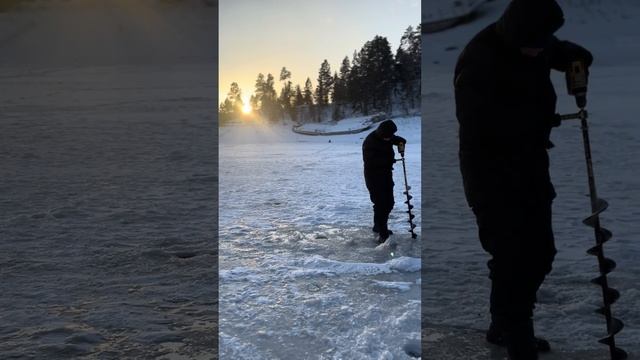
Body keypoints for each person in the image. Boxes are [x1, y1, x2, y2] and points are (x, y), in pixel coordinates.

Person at [453, 0, 593, 359]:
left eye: (543, 41)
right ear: (515, 32)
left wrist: (576, 59)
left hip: (530, 164)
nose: (538, 49)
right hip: (489, 171)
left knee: (541, 252)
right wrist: (537, 123)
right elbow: (481, 128)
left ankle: (503, 323)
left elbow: (561, 52)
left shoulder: (536, 41)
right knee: (513, 254)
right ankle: (517, 337)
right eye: (532, 43)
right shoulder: (479, 61)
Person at [362, 119, 406, 244]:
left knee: (389, 203)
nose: (389, 139)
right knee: (381, 204)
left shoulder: (388, 136)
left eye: (390, 136)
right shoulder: (370, 142)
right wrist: (388, 161)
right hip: (373, 177)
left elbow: (401, 140)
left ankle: (377, 226)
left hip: (386, 175)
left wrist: (401, 145)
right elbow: (370, 162)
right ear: (381, 133)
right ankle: (382, 232)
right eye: (387, 137)